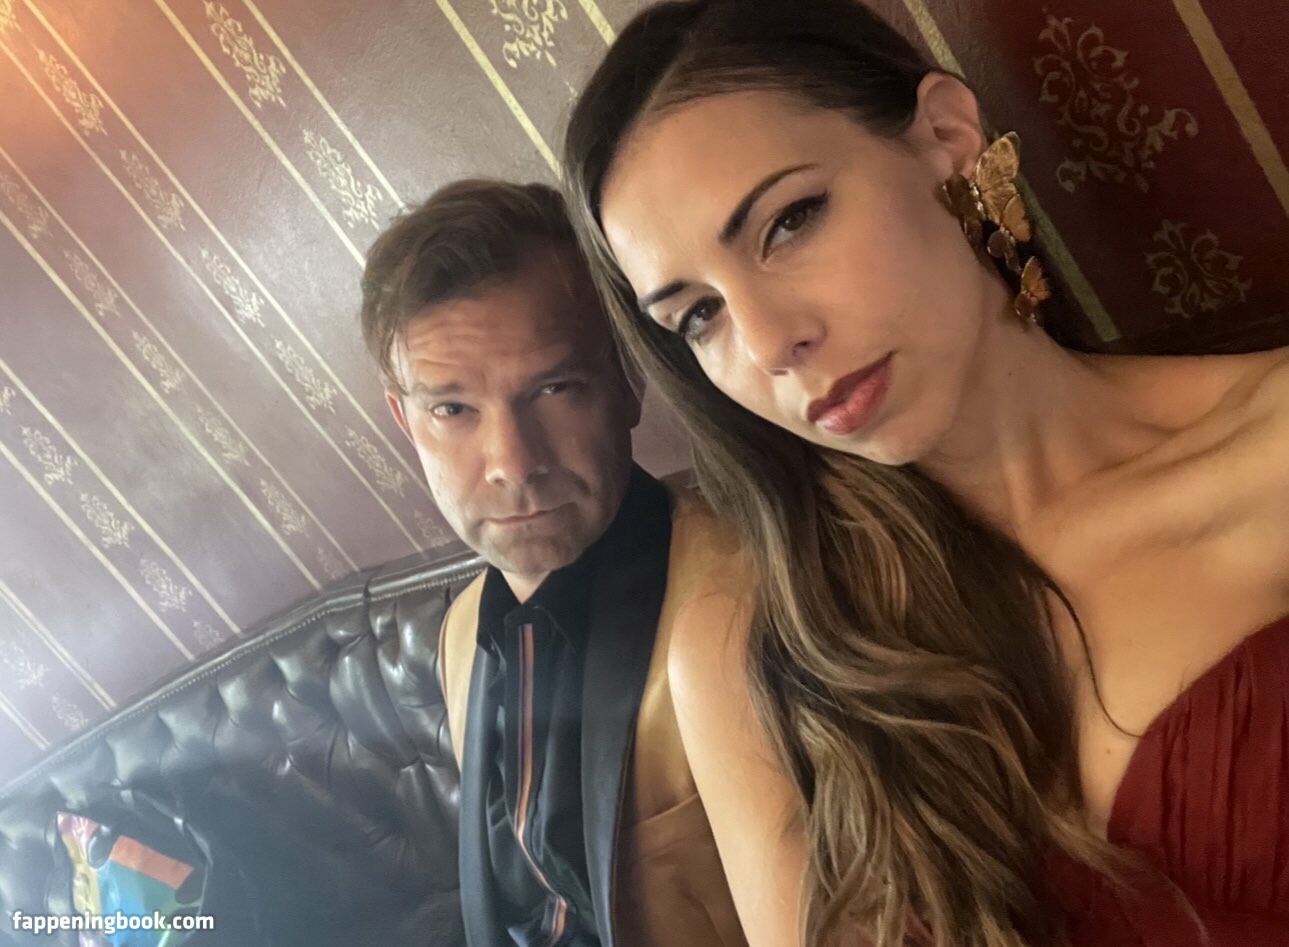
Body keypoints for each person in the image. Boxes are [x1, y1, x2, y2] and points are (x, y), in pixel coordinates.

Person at [560, 2, 1289, 945]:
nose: (769, 344)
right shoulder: (759, 645)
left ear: (945, 138)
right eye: (698, 315)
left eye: (789, 222)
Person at [359, 179, 747, 947]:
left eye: (554, 388)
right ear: (405, 421)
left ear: (627, 378)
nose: (512, 461)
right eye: (452, 409)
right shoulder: (460, 632)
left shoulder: (749, 596)